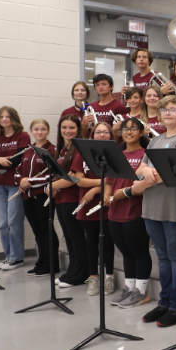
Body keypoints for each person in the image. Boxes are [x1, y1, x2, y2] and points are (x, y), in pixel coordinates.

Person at [129, 96, 176, 328]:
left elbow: (172, 169)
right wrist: (147, 172)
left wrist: (149, 174)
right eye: (164, 110)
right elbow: (141, 168)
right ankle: (165, 301)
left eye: (173, 110)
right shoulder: (155, 140)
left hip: (173, 207)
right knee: (163, 258)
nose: (168, 113)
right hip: (151, 207)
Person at [104, 118, 152, 309]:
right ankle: (129, 288)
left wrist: (124, 194)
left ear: (141, 132)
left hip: (135, 210)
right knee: (125, 251)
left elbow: (146, 182)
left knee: (139, 251)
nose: (129, 132)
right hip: (114, 211)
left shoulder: (146, 154)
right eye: (125, 129)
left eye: (133, 129)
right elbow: (108, 181)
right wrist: (107, 195)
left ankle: (141, 291)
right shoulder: (117, 154)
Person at [71, 121, 116, 297]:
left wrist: (97, 189)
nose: (102, 135)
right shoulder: (83, 153)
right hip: (87, 203)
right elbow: (79, 180)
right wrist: (101, 183)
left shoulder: (114, 153)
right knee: (91, 243)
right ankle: (94, 278)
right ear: (93, 134)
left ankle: (109, 277)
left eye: (106, 132)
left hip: (106, 202)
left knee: (107, 243)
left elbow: (115, 179)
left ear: (111, 135)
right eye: (98, 132)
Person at [0, 106, 30, 270]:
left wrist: (0, 160)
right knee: (2, 223)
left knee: (14, 221)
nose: (5, 119)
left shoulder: (23, 136)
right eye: (2, 116)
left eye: (8, 116)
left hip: (15, 185)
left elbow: (19, 160)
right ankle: (8, 256)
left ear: (14, 118)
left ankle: (17, 258)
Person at [15, 119, 58, 277]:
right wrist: (20, 180)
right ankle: (41, 260)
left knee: (46, 230)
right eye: (36, 129)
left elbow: (52, 175)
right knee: (37, 231)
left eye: (43, 129)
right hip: (27, 196)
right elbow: (18, 170)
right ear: (31, 131)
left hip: (42, 195)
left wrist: (29, 181)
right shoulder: (28, 150)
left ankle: (51, 264)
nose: (40, 132)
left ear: (48, 131)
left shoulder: (52, 150)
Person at [50, 115, 88, 288]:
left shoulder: (79, 148)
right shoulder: (63, 148)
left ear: (78, 129)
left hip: (72, 198)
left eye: (72, 127)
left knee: (77, 238)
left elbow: (73, 177)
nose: (67, 131)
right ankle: (73, 270)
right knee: (70, 238)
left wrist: (54, 185)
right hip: (61, 198)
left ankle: (79, 274)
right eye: (64, 127)